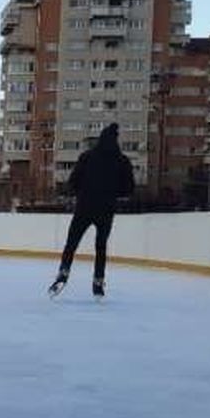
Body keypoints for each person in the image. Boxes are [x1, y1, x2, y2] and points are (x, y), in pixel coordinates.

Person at [48, 123, 135, 299]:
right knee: (101, 247)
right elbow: (128, 189)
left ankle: (63, 272)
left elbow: (73, 182)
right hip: (106, 209)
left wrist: (82, 191)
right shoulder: (122, 161)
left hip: (84, 207)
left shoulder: (87, 157)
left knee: (71, 243)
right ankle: (98, 281)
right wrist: (112, 192)